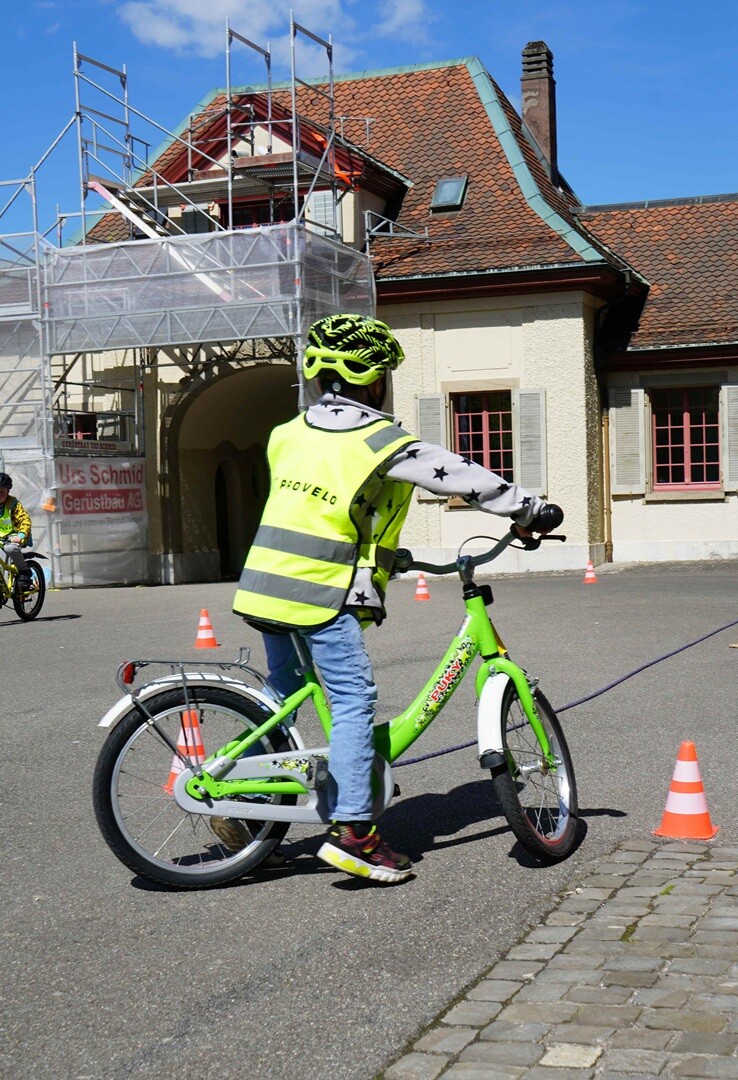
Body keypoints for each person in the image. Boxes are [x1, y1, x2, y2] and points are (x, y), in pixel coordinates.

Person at [232, 313, 562, 884]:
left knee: (283, 689)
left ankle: (238, 796)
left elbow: (329, 505)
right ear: (372, 379)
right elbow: (453, 473)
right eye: (384, 374)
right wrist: (529, 509)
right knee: (355, 698)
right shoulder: (380, 439)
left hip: (264, 580)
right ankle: (356, 833)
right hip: (320, 591)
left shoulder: (285, 433)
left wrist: (385, 556)